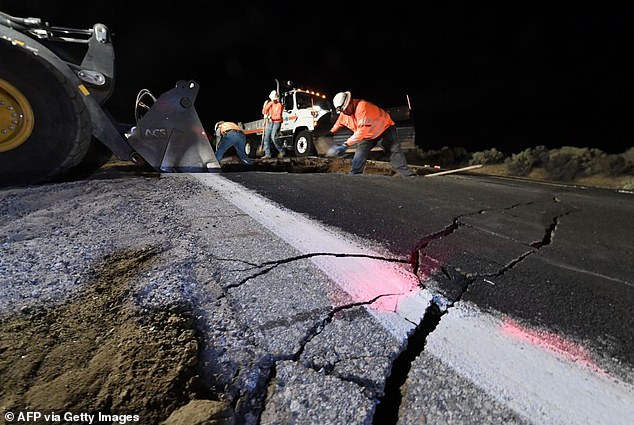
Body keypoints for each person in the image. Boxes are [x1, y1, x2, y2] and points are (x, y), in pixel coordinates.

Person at [325, 91, 414, 177]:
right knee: (360, 152)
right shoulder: (345, 112)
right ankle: (355, 175)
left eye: (345, 109)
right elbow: (339, 122)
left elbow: (362, 130)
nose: (344, 112)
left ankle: (407, 176)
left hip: (384, 128)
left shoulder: (362, 106)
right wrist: (331, 132)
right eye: (342, 111)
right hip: (368, 134)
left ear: (350, 102)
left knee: (393, 150)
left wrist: (345, 145)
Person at [261, 89, 285, 159]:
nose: (273, 100)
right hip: (270, 122)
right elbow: (264, 111)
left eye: (274, 99)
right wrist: (265, 112)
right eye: (272, 99)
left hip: (277, 122)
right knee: (266, 138)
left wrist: (270, 116)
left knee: (273, 137)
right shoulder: (270, 103)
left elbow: (278, 116)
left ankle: (281, 151)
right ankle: (267, 154)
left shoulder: (279, 105)